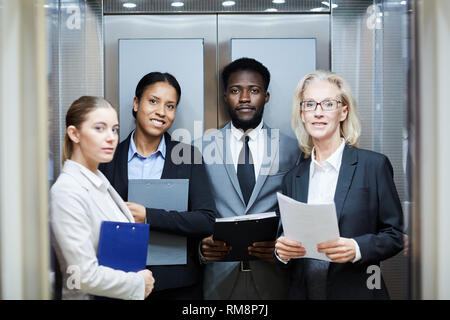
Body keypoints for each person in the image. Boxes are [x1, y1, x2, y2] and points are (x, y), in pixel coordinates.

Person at [274, 70, 404, 299]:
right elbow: (284, 238)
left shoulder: (373, 166)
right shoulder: (293, 177)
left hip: (358, 292)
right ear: (302, 114)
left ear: (344, 111)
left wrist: (356, 248)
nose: (318, 113)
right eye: (310, 105)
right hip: (304, 293)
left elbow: (394, 235)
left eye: (328, 104)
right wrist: (282, 252)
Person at [99, 72, 217, 299]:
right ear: (136, 104)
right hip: (120, 282)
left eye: (170, 106)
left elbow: (206, 219)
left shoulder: (188, 157)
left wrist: (148, 216)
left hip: (178, 286)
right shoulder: (108, 157)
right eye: (153, 101)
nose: (161, 112)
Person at [197, 57, 301, 299]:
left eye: (253, 90)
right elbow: (192, 212)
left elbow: (298, 209)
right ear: (225, 97)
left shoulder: (292, 149)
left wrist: (282, 245)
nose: (244, 98)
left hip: (273, 280)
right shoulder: (199, 149)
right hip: (217, 280)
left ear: (266, 96)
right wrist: (200, 248)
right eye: (235, 90)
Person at [50, 96, 155, 300]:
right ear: (74, 134)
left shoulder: (99, 181)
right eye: (99, 128)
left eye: (114, 129)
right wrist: (138, 283)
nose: (111, 137)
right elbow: (82, 276)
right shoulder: (67, 191)